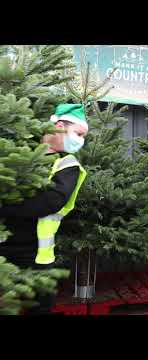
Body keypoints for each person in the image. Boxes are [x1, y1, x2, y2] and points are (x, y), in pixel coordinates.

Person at [0, 104, 88, 314]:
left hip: (36, 256)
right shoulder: (20, 152)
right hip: (3, 250)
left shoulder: (67, 165)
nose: (81, 141)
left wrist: (4, 206)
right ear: (59, 126)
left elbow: (51, 201)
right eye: (78, 133)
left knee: (40, 308)